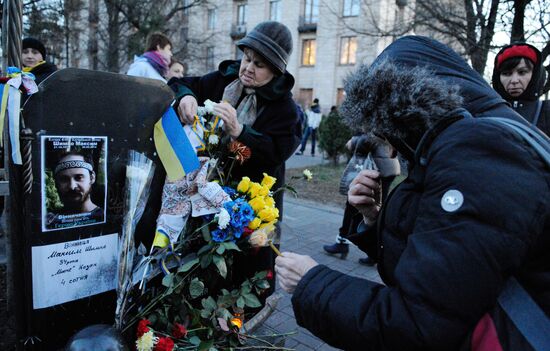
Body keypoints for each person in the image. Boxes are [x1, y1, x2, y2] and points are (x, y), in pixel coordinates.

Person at [275, 36, 549, 350]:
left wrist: (311, 282)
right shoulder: (457, 145)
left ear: (410, 111)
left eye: (387, 131)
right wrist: (375, 219)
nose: (389, 147)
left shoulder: (477, 151)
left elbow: (417, 324)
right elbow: (444, 261)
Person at [170, 21, 301, 293]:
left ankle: (241, 320)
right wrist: (185, 97)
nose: (248, 68)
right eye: (247, 58)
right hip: (208, 192)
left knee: (246, 266)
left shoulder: (285, 109)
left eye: (259, 65)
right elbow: (179, 83)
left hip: (251, 204)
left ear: (276, 71)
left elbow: (277, 152)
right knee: (206, 260)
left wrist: (240, 131)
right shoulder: (223, 81)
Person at [323, 134, 400, 265]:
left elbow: (371, 138)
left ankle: (345, 243)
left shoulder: (373, 118)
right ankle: (373, 251)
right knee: (373, 208)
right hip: (386, 167)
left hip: (378, 169)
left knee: (355, 203)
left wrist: (353, 141)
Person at [492, 43, 550, 135]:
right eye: (507, 73)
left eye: (522, 72)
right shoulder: (486, 112)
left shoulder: (546, 111)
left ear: (535, 75)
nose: (514, 80)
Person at [46, 151, 103, 229]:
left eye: (79, 177)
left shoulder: (104, 218)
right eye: (64, 179)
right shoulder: (49, 221)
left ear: (92, 178)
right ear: (56, 183)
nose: (72, 186)